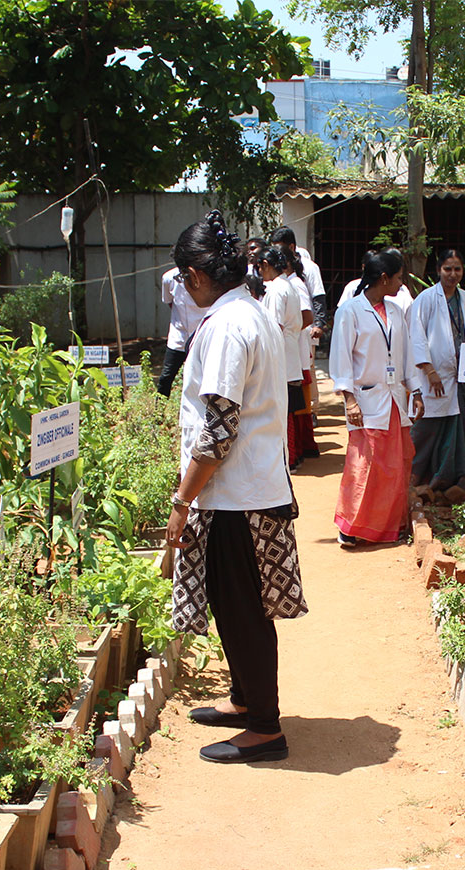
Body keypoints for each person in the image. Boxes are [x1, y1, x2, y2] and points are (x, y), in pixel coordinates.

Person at [167, 210, 308, 764]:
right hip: (250, 488)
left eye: (182, 278)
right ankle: (247, 704)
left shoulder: (227, 325)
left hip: (236, 496)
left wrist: (182, 501)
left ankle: (266, 728)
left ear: (197, 275)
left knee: (243, 610)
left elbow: (219, 428)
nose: (182, 288)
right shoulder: (250, 313)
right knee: (235, 605)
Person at [329, 249, 426, 548]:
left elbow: (406, 355)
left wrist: (417, 390)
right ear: (384, 278)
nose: (401, 284)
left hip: (394, 399)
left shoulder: (396, 311)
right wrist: (349, 400)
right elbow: (341, 358)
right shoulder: (350, 311)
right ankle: (352, 526)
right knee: (363, 465)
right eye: (398, 277)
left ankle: (387, 527)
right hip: (365, 400)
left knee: (395, 466)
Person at [407, 249, 465, 503]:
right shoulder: (426, 300)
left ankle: (453, 481)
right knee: (427, 427)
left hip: (462, 379)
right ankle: (416, 479)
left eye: (457, 269)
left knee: (458, 427)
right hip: (433, 378)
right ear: (438, 270)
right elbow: (416, 337)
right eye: (447, 269)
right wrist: (430, 371)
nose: (452, 274)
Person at [257, 246, 315, 468]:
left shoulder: (275, 290)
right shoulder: (289, 286)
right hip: (289, 352)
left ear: (266, 265)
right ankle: (294, 455)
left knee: (282, 411)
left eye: (260, 267)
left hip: (280, 353)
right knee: (289, 409)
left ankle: (287, 458)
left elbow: (273, 326)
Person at [155, 264, 208, 395]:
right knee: (166, 377)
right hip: (179, 336)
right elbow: (169, 302)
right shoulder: (168, 278)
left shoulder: (205, 277)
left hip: (202, 335)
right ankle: (158, 410)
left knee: (203, 376)